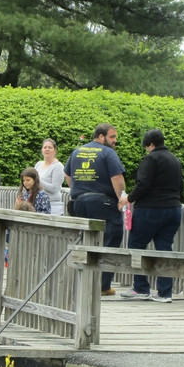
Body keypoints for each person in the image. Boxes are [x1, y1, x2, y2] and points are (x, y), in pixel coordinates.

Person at [119, 129, 184, 303]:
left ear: (151, 144)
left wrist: (128, 199)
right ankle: (165, 293)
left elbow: (143, 184)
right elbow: (181, 186)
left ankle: (141, 287)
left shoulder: (151, 159)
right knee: (164, 249)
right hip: (174, 209)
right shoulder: (175, 160)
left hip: (150, 209)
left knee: (136, 245)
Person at [64, 123, 125, 295]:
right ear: (100, 136)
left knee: (86, 241)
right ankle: (102, 286)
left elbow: (67, 175)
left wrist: (80, 189)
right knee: (111, 239)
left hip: (80, 202)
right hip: (103, 203)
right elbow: (117, 177)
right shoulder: (108, 153)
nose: (115, 141)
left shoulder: (77, 151)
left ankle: (84, 283)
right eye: (112, 137)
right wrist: (121, 199)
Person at [35, 138, 65, 215]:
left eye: (50, 147)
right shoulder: (38, 164)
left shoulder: (58, 166)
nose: (47, 149)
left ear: (55, 151)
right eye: (45, 147)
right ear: (42, 150)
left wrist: (38, 181)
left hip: (53, 206)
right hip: (38, 204)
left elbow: (55, 188)